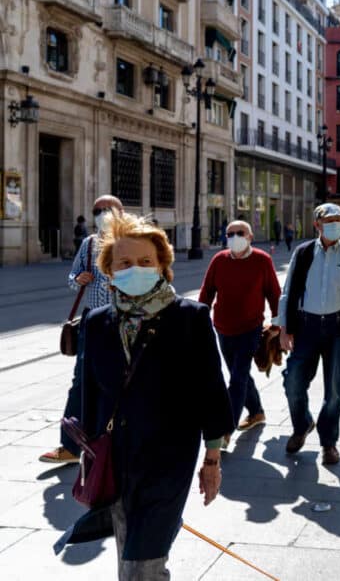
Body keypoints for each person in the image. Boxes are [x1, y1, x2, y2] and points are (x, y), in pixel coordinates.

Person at [62, 212, 233, 579]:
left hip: (168, 461)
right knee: (128, 553)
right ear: (109, 269)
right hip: (114, 458)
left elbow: (211, 390)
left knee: (142, 561)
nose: (135, 268)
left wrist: (213, 459)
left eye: (145, 262)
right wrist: (80, 449)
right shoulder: (96, 322)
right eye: (124, 262)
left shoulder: (191, 318)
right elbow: (85, 388)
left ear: (161, 266)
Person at [275, 203, 340, 466]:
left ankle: (328, 443)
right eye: (330, 220)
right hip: (305, 327)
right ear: (317, 224)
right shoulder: (303, 252)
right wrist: (284, 328)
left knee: (335, 389)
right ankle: (302, 424)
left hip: (338, 329)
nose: (336, 225)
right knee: (293, 381)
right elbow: (287, 292)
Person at [40, 195, 124, 465]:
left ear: (120, 212)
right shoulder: (88, 245)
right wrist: (78, 279)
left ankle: (116, 444)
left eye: (108, 209)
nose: (102, 214)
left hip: (125, 320)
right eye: (97, 210)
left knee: (123, 382)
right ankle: (69, 446)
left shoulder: (133, 243)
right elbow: (71, 279)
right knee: (81, 382)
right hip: (92, 322)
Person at [199, 220, 282, 445]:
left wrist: (277, 325)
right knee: (240, 374)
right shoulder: (219, 260)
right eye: (230, 233)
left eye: (240, 233)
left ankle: (227, 429)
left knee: (236, 379)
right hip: (223, 328)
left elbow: (274, 294)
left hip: (250, 328)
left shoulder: (262, 260)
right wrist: (198, 318)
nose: (235, 237)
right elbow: (207, 291)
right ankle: (256, 411)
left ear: (250, 237)